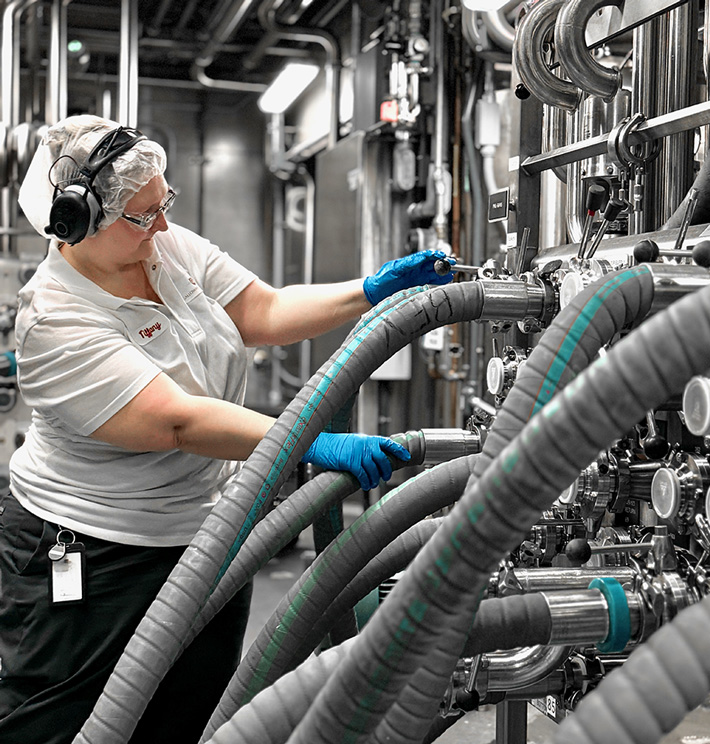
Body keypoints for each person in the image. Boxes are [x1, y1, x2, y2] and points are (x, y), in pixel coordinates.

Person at [0, 114, 454, 744]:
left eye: (165, 205)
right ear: (74, 227)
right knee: (64, 723)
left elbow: (262, 311)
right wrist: (306, 441)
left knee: (186, 714)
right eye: (141, 215)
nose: (161, 226)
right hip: (93, 548)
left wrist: (372, 290)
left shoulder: (164, 246)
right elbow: (178, 420)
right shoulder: (55, 321)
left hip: (202, 536)